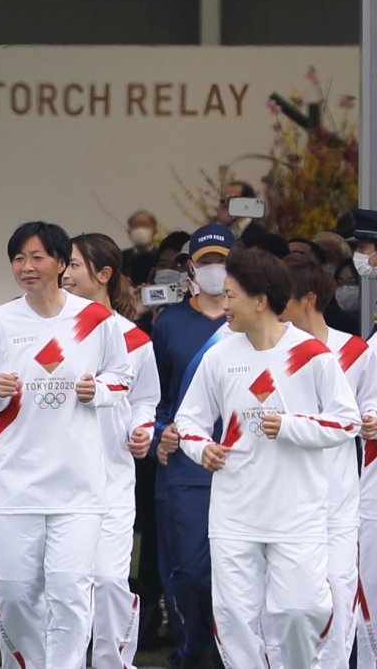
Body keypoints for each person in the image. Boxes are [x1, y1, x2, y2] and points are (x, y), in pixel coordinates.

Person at [0, 221, 132, 668]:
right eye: (18, 258)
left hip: (78, 486)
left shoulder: (97, 321)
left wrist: (100, 391)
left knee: (71, 592)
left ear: (59, 263)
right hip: (12, 485)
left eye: (36, 257)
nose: (26, 267)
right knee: (15, 595)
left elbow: (122, 378)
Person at [175, 248, 358, 667]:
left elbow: (346, 422)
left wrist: (291, 426)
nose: (223, 305)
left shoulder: (311, 354)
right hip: (235, 513)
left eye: (231, 295)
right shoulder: (219, 356)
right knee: (236, 617)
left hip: (296, 512)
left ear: (260, 300)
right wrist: (201, 447)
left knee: (302, 609)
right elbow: (188, 421)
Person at [62, 233, 160, 669]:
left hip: (113, 478)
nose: (64, 273)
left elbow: (145, 400)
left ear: (103, 274)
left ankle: (113, 663)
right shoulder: (50, 331)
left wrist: (142, 430)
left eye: (73, 265)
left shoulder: (134, 339)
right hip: (58, 480)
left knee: (109, 580)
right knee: (63, 585)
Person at [279, 252, 377, 668]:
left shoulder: (355, 351)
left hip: (338, 498)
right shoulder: (271, 351)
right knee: (289, 605)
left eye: (282, 296)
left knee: (339, 594)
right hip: (283, 495)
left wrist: (369, 420)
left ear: (308, 299)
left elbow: (369, 404)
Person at [152, 224, 234, 669]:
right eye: (205, 263)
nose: (214, 271)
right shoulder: (169, 324)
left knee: (235, 569)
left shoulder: (253, 323)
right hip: (185, 465)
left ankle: (230, 653)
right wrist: (161, 430)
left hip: (242, 462)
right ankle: (192, 649)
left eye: (222, 261)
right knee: (189, 571)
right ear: (190, 268)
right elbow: (156, 396)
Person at [216, 180, 272, 247]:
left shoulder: (261, 234)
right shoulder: (217, 232)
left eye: (232, 198)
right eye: (223, 199)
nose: (225, 203)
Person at [121, 210, 159, 287]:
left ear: (155, 230)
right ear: (129, 231)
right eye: (136, 226)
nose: (140, 230)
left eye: (144, 225)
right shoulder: (121, 258)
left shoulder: (161, 257)